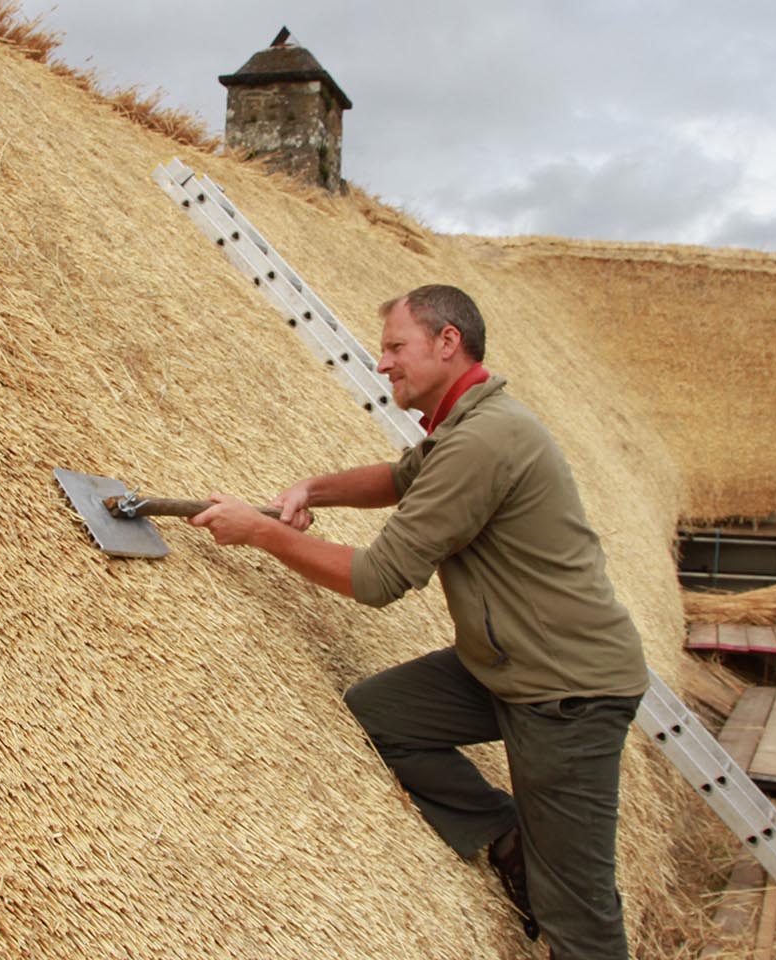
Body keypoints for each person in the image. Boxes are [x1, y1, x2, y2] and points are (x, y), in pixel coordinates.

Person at [189, 284, 649, 959]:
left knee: (576, 908)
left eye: (396, 347)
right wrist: (311, 490)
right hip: (505, 667)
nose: (383, 363)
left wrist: (260, 533)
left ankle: (547, 868)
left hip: (567, 692)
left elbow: (378, 580)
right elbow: (402, 477)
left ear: (447, 342)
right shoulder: (465, 424)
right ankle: (509, 834)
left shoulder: (484, 441)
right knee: (383, 715)